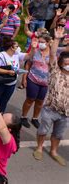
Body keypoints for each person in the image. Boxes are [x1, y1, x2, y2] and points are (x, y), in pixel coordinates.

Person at [33, 26, 69, 166]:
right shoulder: (55, 71)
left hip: (65, 113)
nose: (68, 65)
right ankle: (39, 147)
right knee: (43, 130)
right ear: (60, 64)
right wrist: (57, 39)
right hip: (50, 109)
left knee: (58, 134)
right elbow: (53, 54)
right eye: (66, 63)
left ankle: (54, 151)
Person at [20, 34, 52, 129]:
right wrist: (24, 78)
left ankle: (35, 118)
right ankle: (23, 117)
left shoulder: (53, 54)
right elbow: (28, 64)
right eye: (39, 42)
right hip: (33, 80)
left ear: (48, 43)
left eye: (43, 42)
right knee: (30, 99)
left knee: (40, 102)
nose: (40, 44)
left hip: (45, 83)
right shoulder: (35, 51)